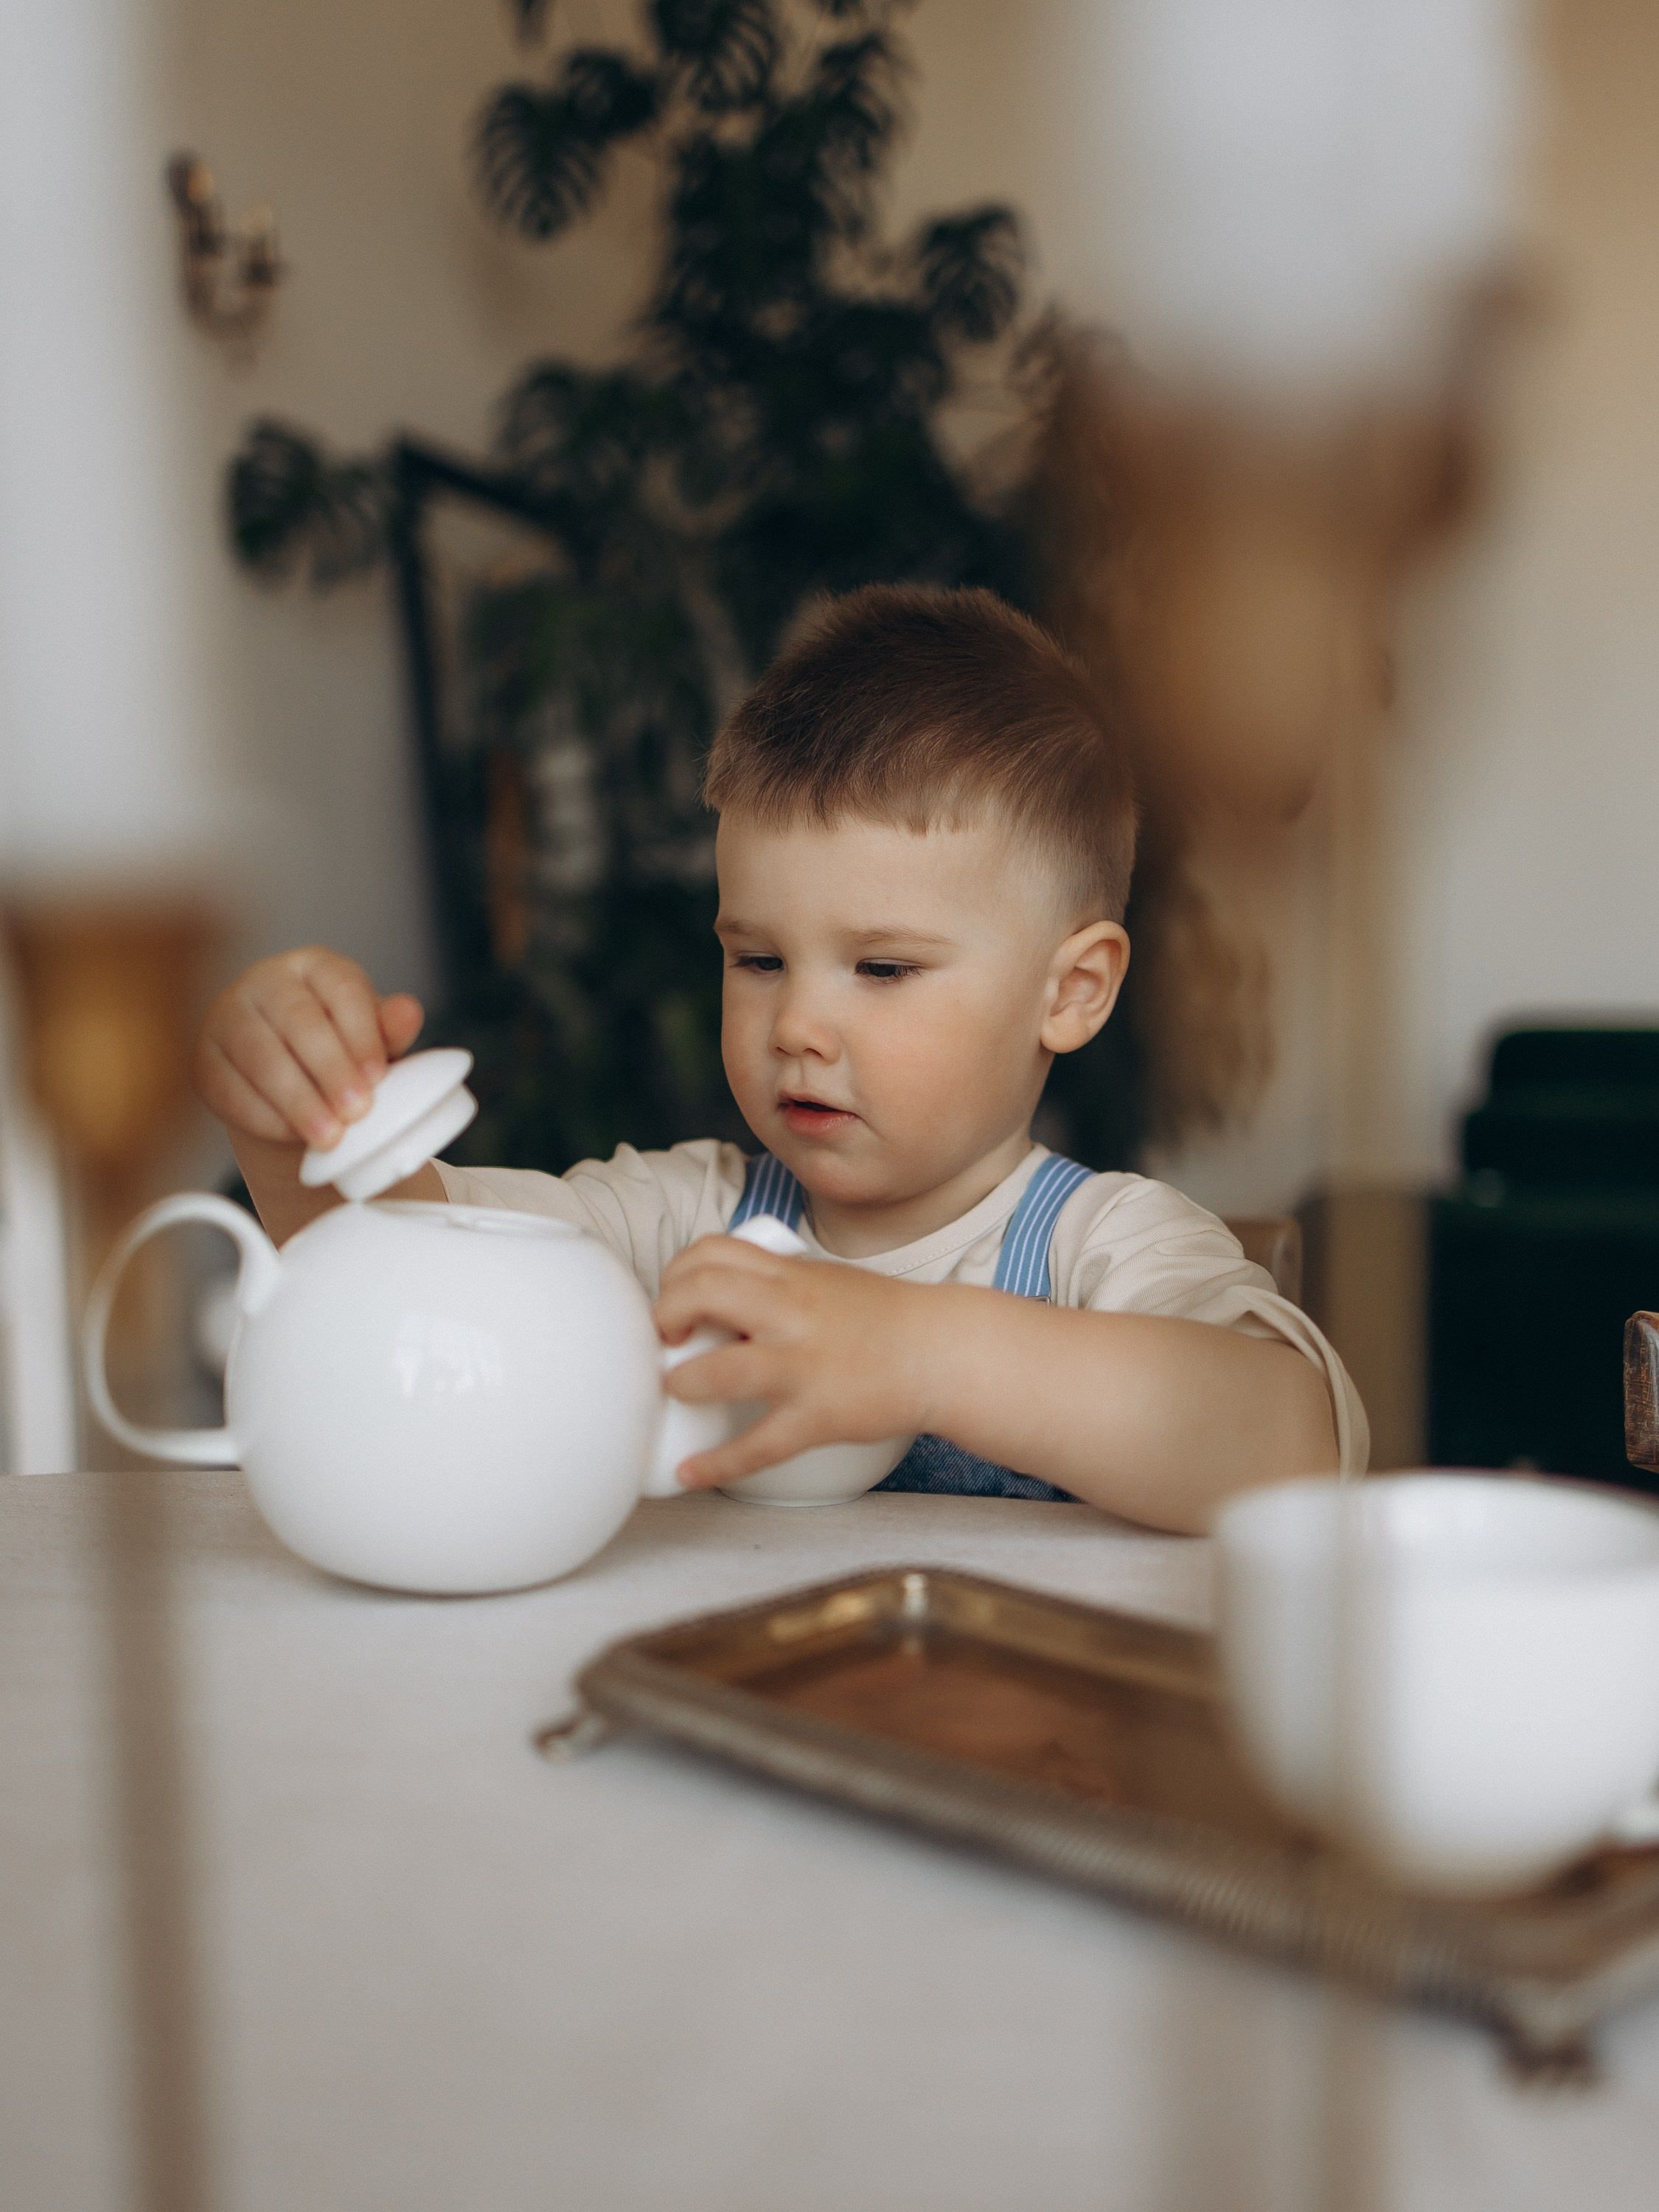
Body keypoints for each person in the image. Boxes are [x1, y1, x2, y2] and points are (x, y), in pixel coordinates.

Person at [194, 585, 1364, 1534]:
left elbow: (1288, 1443)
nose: (797, 1026)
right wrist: (297, 1112)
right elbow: (400, 1259)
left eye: (882, 969)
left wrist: (920, 1352)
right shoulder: (681, 1223)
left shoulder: (1100, 1246)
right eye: (757, 959)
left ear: (1070, 992)